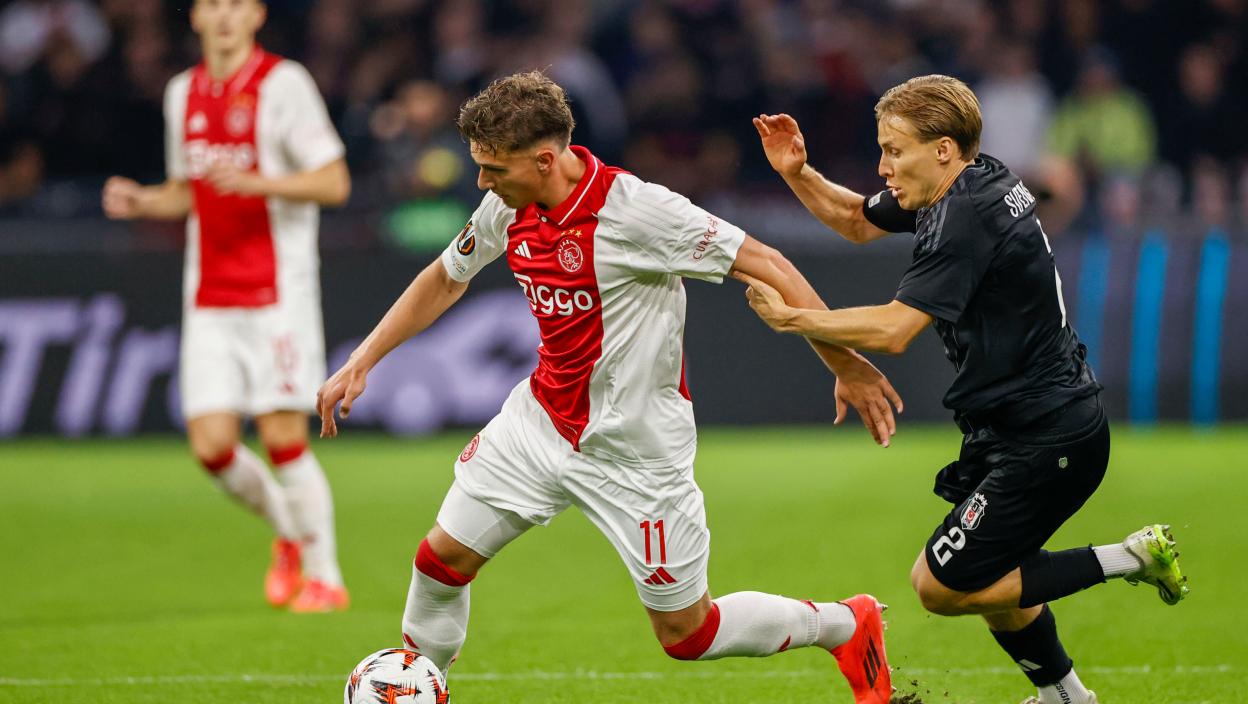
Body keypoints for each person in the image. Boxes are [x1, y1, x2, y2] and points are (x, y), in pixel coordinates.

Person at [317, 71, 900, 703]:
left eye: (494, 169)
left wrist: (844, 364)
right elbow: (446, 277)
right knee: (439, 563)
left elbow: (771, 265)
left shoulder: (638, 212)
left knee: (689, 633)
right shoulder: (508, 203)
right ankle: (419, 689)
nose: (482, 182)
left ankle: (844, 624)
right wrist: (365, 358)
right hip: (539, 425)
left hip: (636, 451)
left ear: (545, 160)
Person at [739, 75, 1188, 704]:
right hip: (1023, 426)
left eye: (894, 150)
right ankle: (1065, 695)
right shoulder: (974, 179)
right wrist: (798, 171)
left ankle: (1131, 557)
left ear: (943, 149)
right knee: (992, 573)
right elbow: (855, 220)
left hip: (1049, 435)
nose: (883, 166)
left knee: (940, 585)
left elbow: (895, 330)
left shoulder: (963, 220)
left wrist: (795, 320)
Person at [101, 0, 351, 613]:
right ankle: (289, 532)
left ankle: (326, 579)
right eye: (212, 4)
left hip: (277, 293)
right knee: (212, 447)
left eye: (236, 4)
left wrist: (260, 182)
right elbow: (186, 191)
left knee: (282, 437)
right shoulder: (181, 93)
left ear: (257, 15)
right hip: (209, 296)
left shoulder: (284, 84)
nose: (224, 16)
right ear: (194, 17)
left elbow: (334, 182)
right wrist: (143, 201)